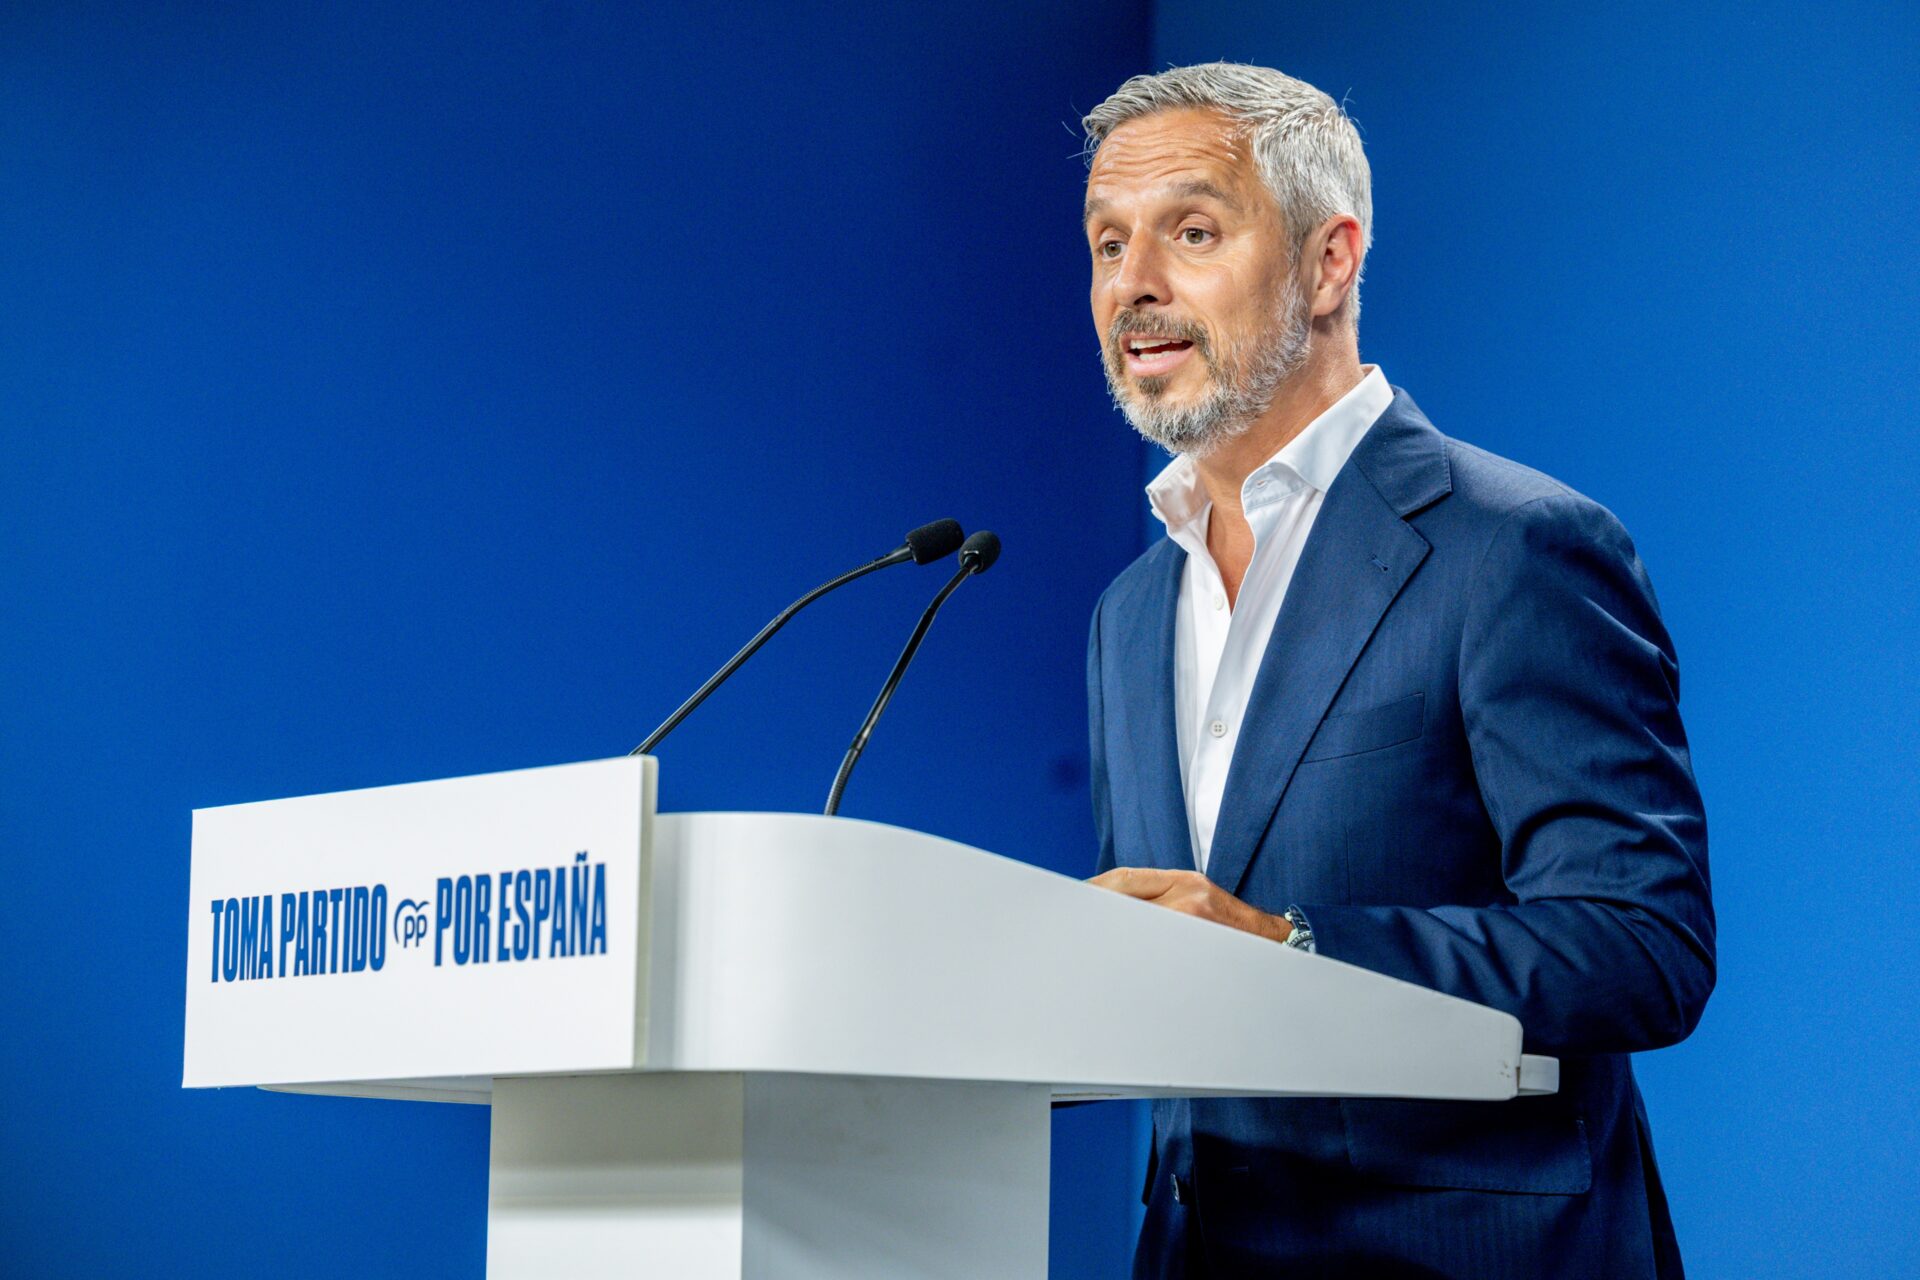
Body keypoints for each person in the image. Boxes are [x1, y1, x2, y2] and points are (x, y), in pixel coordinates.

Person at [1080, 63, 1715, 1279]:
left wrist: (1291, 946)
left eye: (1192, 233)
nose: (1133, 285)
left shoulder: (1515, 545)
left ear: (1329, 262)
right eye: (1109, 244)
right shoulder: (1129, 613)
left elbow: (1644, 944)